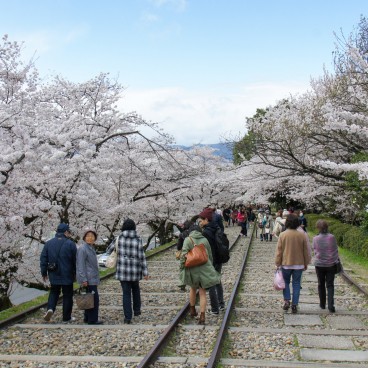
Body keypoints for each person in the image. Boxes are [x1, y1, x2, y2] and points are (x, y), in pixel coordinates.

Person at [106, 219, 149, 324]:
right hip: (135, 270)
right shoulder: (138, 239)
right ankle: (137, 310)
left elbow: (108, 250)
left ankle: (128, 317)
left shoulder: (118, 239)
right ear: (134, 227)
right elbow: (142, 257)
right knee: (136, 289)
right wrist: (145, 272)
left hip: (123, 271)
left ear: (123, 228)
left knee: (126, 293)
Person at [179, 224, 221, 325]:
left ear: (190, 231)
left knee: (193, 289)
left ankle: (192, 310)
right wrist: (209, 266)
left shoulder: (188, 240)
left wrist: (181, 267)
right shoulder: (205, 240)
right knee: (202, 293)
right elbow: (209, 255)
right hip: (204, 268)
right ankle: (202, 316)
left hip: (192, 269)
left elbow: (183, 256)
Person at [40, 223, 77, 323]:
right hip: (67, 274)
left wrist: (44, 273)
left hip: (53, 273)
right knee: (67, 295)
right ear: (65, 232)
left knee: (54, 292)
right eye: (69, 232)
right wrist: (76, 273)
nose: (69, 234)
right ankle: (66, 317)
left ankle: (50, 309)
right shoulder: (70, 244)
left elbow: (43, 259)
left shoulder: (48, 243)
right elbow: (75, 260)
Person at [275, 214, 311, 313]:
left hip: (286, 263)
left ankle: (287, 301)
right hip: (299, 264)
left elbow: (279, 251)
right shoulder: (302, 234)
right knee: (296, 284)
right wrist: (306, 262)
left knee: (285, 282)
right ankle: (295, 304)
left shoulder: (283, 235)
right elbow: (305, 250)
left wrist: (277, 262)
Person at [198, 208, 225, 315]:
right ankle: (221, 304)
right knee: (217, 281)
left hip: (211, 260)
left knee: (211, 284)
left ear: (206, 219)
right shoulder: (217, 228)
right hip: (219, 259)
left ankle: (214, 309)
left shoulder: (206, 233)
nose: (199, 222)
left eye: (201, 220)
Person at [76, 229, 103, 324]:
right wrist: (83, 279)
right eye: (88, 236)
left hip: (92, 277)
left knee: (88, 298)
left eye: (92, 236)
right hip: (88, 278)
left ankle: (87, 317)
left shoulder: (90, 248)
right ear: (84, 238)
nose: (90, 238)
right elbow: (80, 265)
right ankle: (92, 319)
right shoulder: (83, 249)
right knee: (94, 299)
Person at [312, 220, 339, 313]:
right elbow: (335, 250)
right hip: (331, 264)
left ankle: (322, 304)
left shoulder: (315, 238)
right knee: (330, 284)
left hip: (319, 264)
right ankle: (331, 305)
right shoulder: (332, 237)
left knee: (321, 284)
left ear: (318, 228)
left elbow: (315, 250)